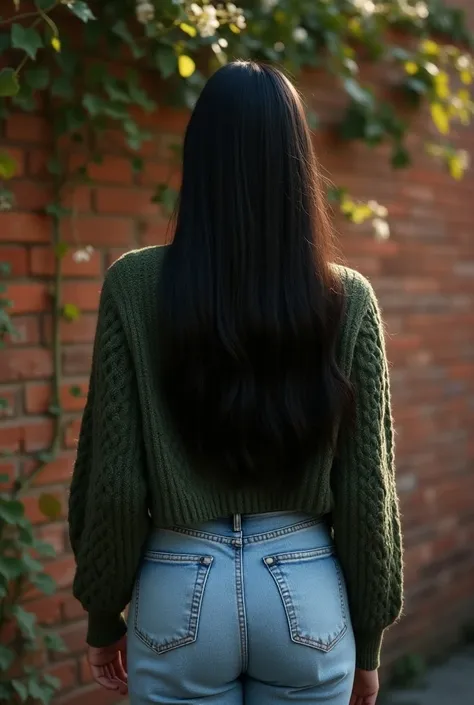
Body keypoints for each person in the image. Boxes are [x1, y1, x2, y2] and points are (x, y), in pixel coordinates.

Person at [68, 61, 403, 705]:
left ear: (199, 159)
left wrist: (102, 615)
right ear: (297, 163)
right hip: (306, 589)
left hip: (175, 586)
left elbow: (114, 476)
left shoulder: (132, 286)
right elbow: (367, 488)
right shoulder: (347, 297)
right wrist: (367, 642)